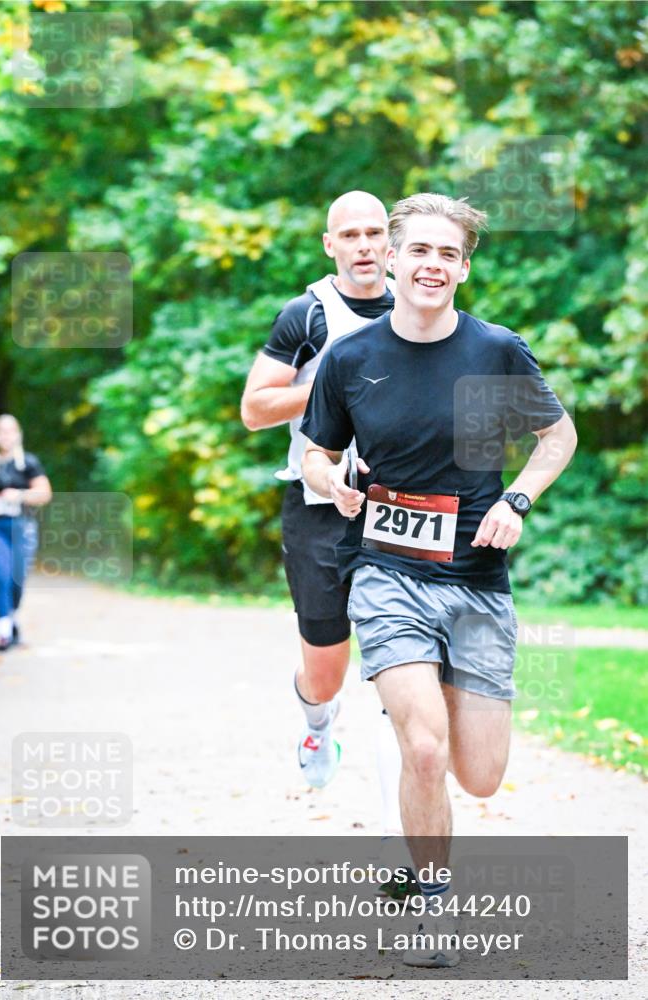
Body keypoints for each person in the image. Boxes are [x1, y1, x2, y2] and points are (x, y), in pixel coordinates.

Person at [300, 192, 577, 966]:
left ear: (463, 267)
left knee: (480, 776)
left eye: (448, 254)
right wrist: (333, 487)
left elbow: (558, 436)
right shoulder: (351, 359)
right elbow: (317, 455)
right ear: (390, 258)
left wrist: (517, 499)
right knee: (423, 748)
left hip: (477, 579)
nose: (432, 265)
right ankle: (432, 908)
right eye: (418, 250)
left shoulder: (495, 350)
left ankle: (416, 727)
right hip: (386, 571)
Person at [241, 191, 397, 789]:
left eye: (374, 233)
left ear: (391, 242)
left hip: (397, 506)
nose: (363, 245)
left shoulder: (419, 309)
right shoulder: (307, 314)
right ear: (330, 246)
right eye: (349, 235)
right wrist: (336, 386)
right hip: (318, 505)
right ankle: (316, 722)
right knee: (327, 672)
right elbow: (254, 408)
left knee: (402, 661)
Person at [0, 414, 52, 651]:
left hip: (22, 526)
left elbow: (44, 494)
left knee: (17, 580)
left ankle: (11, 619)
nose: (5, 436)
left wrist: (20, 495)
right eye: (1, 431)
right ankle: (4, 632)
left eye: (10, 431)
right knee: (1, 576)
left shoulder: (28, 463)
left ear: (18, 434)